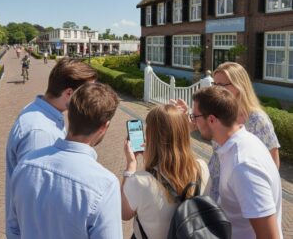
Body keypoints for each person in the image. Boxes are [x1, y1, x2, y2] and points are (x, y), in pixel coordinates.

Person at [7, 83, 122, 239]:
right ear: (104, 127)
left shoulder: (25, 164)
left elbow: (13, 230)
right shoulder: (105, 184)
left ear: (70, 114)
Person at [5, 57, 97, 237]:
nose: (90, 98)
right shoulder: (40, 133)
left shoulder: (43, 113)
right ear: (69, 93)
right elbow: (37, 203)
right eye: (87, 93)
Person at [192, 86, 282, 239]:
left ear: (212, 119)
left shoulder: (243, 166)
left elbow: (269, 236)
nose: (193, 122)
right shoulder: (241, 142)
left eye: (195, 116)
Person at [121, 104, 210, 239]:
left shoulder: (139, 181)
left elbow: (124, 214)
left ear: (151, 136)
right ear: (184, 134)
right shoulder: (201, 167)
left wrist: (131, 165)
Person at [208, 62, 280, 201]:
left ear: (239, 86)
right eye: (214, 84)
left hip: (242, 193)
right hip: (215, 186)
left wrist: (261, 195)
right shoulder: (219, 114)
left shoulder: (257, 119)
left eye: (222, 85)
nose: (216, 90)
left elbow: (273, 162)